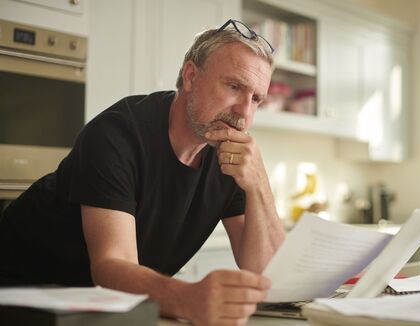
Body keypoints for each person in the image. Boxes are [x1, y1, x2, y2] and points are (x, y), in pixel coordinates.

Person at [0, 19, 286, 325]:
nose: (244, 112)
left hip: (103, 311)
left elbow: (271, 277)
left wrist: (259, 184)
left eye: (256, 99)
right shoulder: (117, 134)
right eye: (234, 86)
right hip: (19, 293)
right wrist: (188, 298)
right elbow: (111, 265)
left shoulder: (230, 154)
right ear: (191, 76)